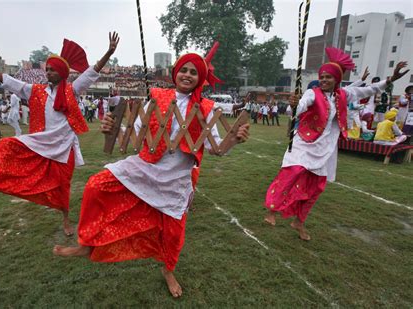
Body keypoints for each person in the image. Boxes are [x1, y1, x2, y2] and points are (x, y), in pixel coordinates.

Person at [53, 44, 250, 298]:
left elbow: (216, 149)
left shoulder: (206, 109)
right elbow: (133, 133)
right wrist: (111, 129)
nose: (188, 75)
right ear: (175, 73)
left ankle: (168, 270)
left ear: (199, 78)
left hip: (177, 178)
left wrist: (234, 139)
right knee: (95, 185)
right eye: (184, 70)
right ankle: (87, 243)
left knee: (174, 235)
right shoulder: (156, 97)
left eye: (193, 72)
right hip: (145, 166)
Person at [0, 32, 120, 236]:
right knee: (5, 145)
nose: (48, 73)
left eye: (53, 70)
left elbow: (92, 71)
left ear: (62, 73)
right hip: (42, 142)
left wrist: (109, 52)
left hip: (64, 147)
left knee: (63, 186)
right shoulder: (34, 90)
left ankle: (65, 221)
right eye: (48, 69)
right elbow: (5, 79)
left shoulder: (72, 90)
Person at [263, 47, 409, 241]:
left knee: (316, 187)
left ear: (336, 80)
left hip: (326, 148)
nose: (323, 80)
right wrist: (294, 105)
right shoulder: (312, 93)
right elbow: (300, 107)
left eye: (328, 77)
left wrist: (390, 80)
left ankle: (299, 221)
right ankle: (271, 210)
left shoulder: (344, 94)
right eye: (322, 77)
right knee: (293, 172)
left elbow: (370, 89)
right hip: (304, 143)